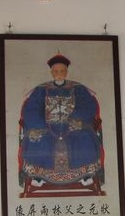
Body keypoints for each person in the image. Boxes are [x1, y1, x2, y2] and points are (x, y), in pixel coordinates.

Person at [18, 53, 104, 191]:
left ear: (67, 71)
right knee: (38, 141)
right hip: (46, 126)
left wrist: (77, 119)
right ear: (51, 72)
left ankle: (86, 175)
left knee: (84, 139)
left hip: (73, 125)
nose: (59, 74)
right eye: (56, 71)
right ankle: (38, 176)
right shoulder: (41, 90)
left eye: (62, 71)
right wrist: (38, 125)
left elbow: (88, 105)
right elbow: (31, 109)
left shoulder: (78, 88)